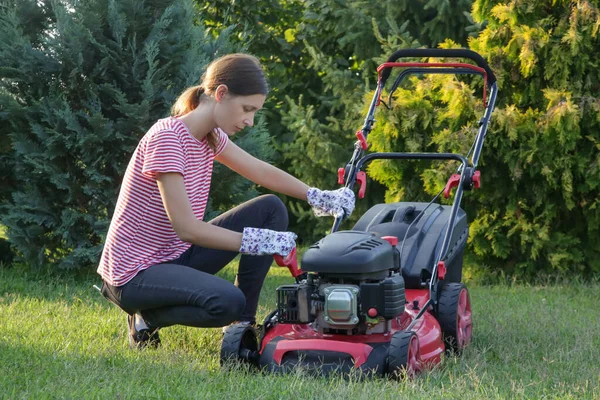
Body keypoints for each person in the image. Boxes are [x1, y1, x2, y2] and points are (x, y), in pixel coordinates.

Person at [97, 53, 355, 348]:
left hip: (176, 257)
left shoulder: (211, 136)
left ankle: (242, 326)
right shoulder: (167, 138)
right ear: (221, 94)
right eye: (247, 109)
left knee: (270, 208)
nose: (250, 121)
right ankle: (146, 319)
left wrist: (317, 195)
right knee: (227, 301)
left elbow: (258, 169)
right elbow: (187, 229)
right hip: (134, 274)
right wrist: (258, 242)